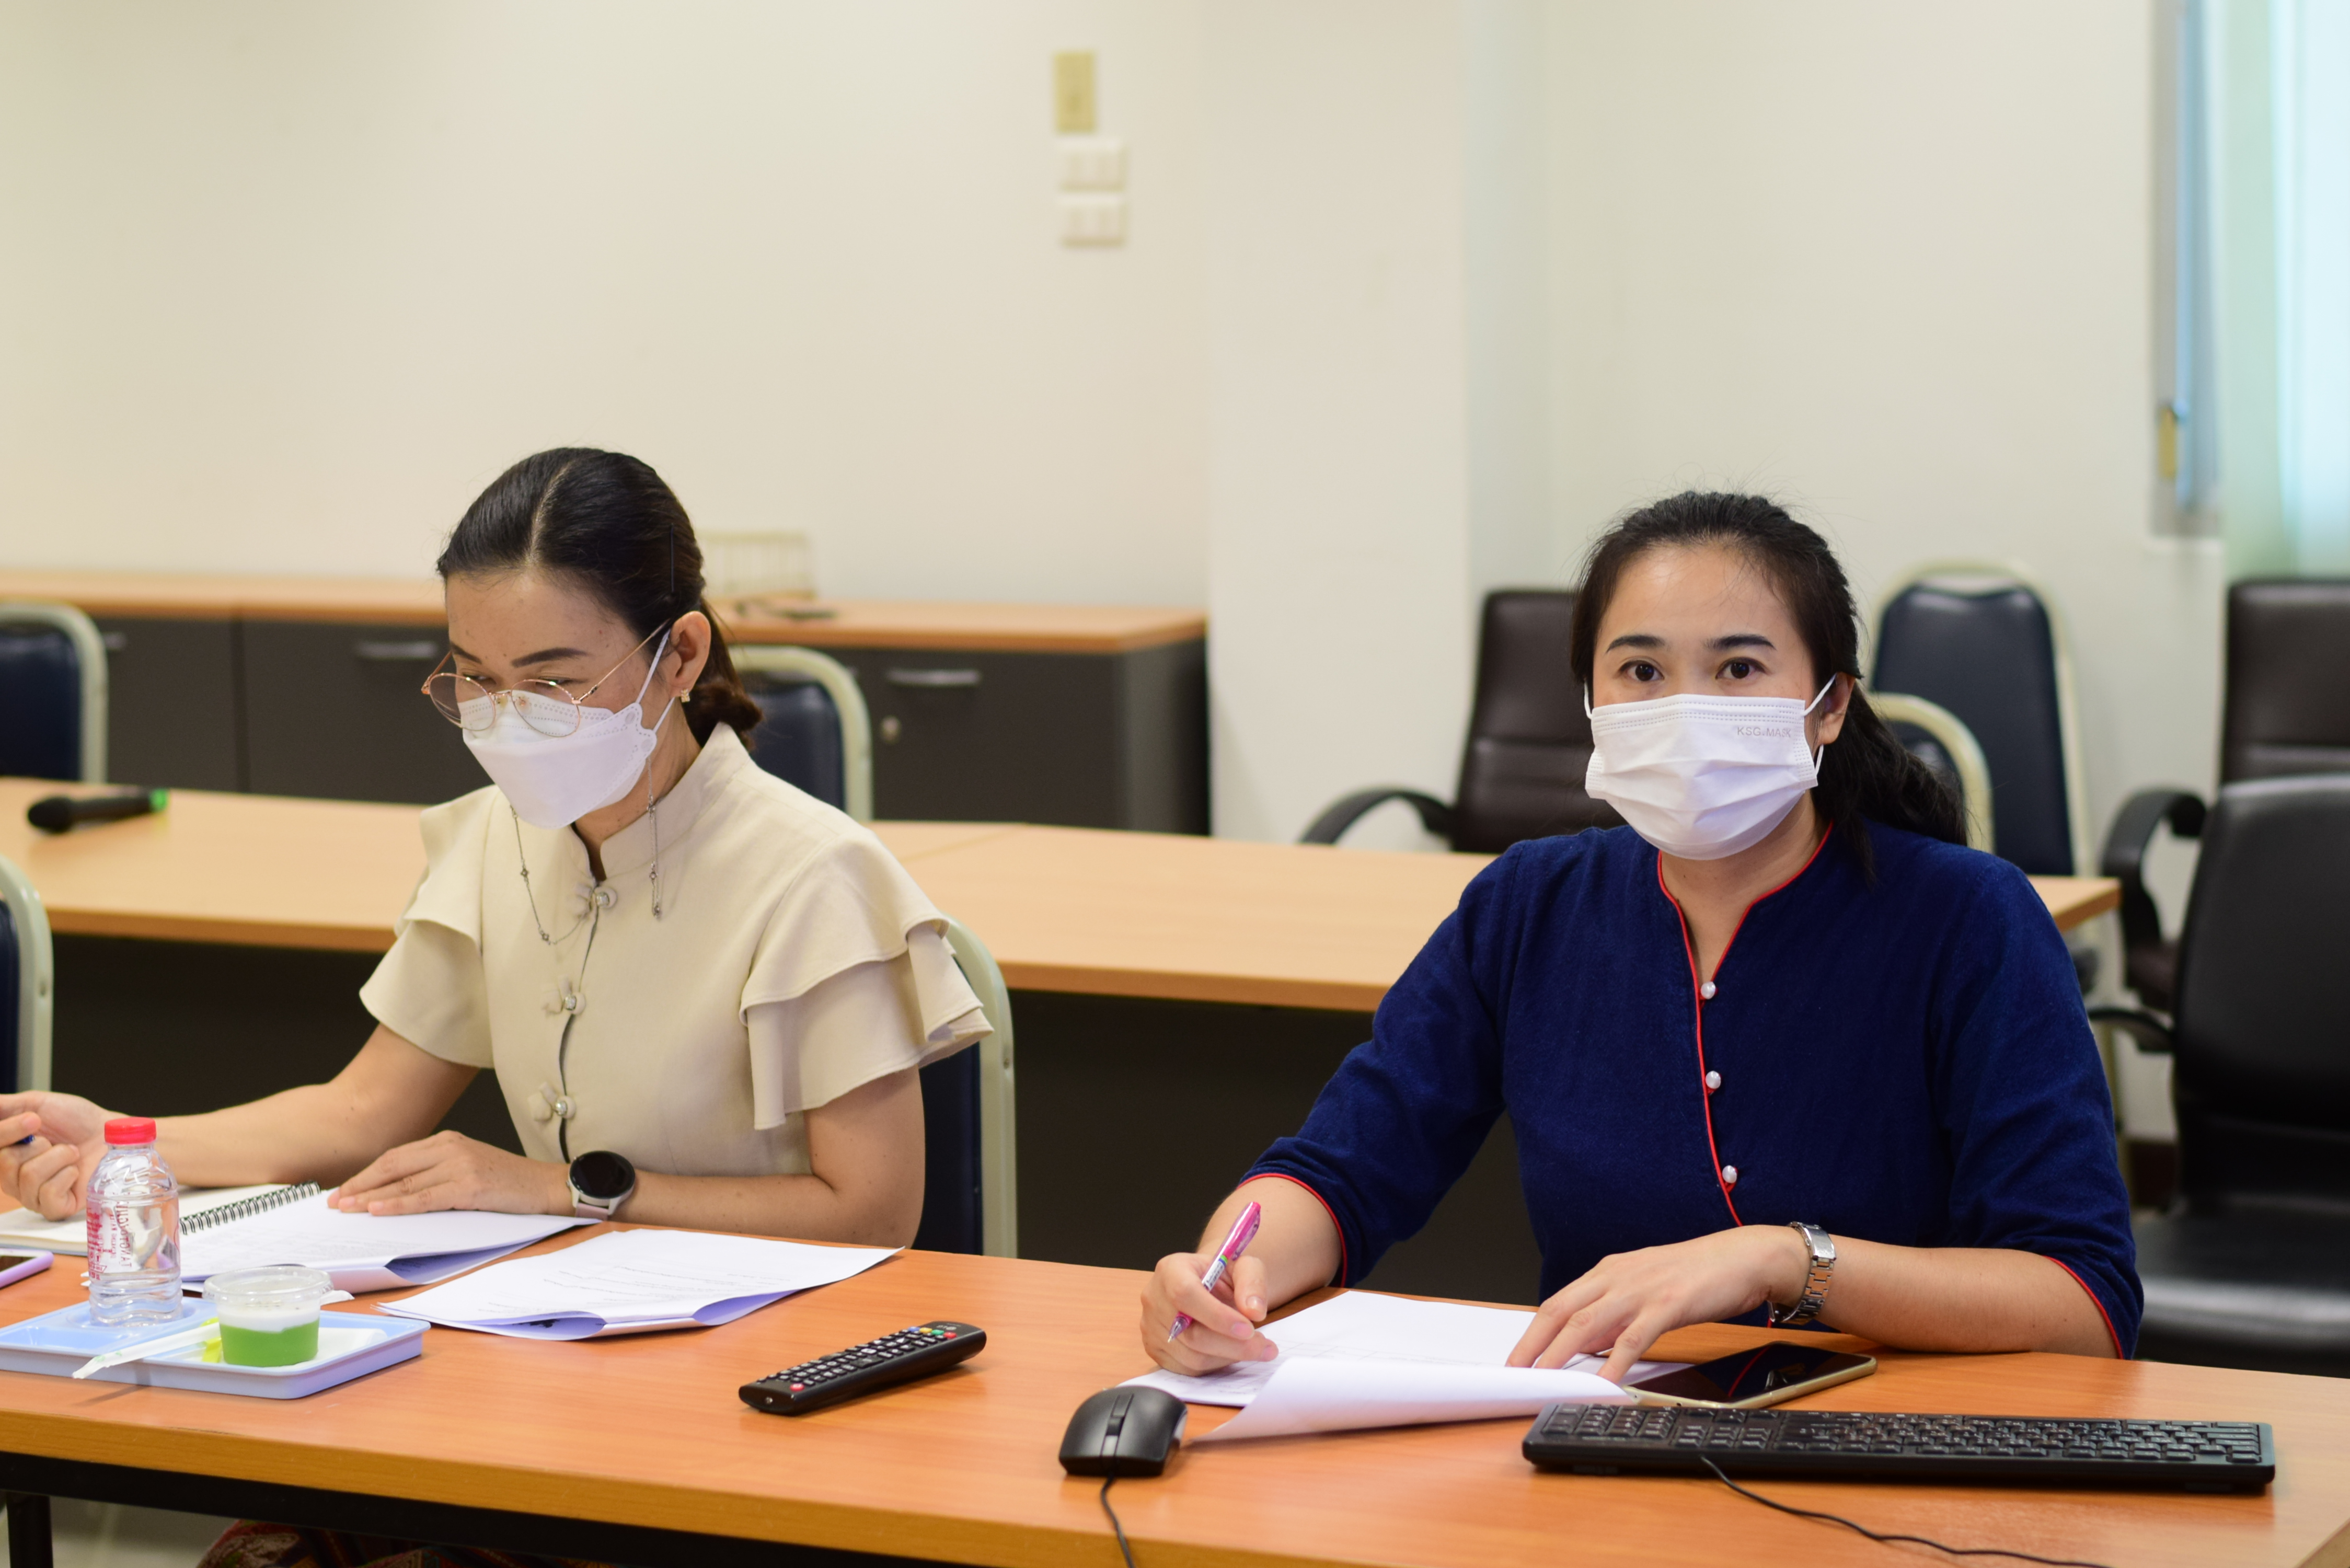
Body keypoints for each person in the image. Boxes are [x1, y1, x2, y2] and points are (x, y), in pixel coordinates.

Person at [1141, 491, 2138, 1381]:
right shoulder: (1530, 905)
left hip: (1894, 1450)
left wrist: (1787, 1256)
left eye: (1739, 667)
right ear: (1590, 703)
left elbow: (2082, 1304)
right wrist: (1229, 1273)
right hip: (1600, 1441)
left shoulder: (1970, 918)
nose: (1684, 708)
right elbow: (1341, 1170)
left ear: (1829, 708)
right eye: (1641, 670)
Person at [0, 447, 988, 1245]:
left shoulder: (813, 874)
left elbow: (870, 1214)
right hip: (561, 1328)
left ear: (678, 654)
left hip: (769, 1353)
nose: (507, 720)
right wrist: (132, 1142)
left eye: (555, 683)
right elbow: (361, 1114)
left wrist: (557, 1189)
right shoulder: (490, 841)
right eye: (476, 677)